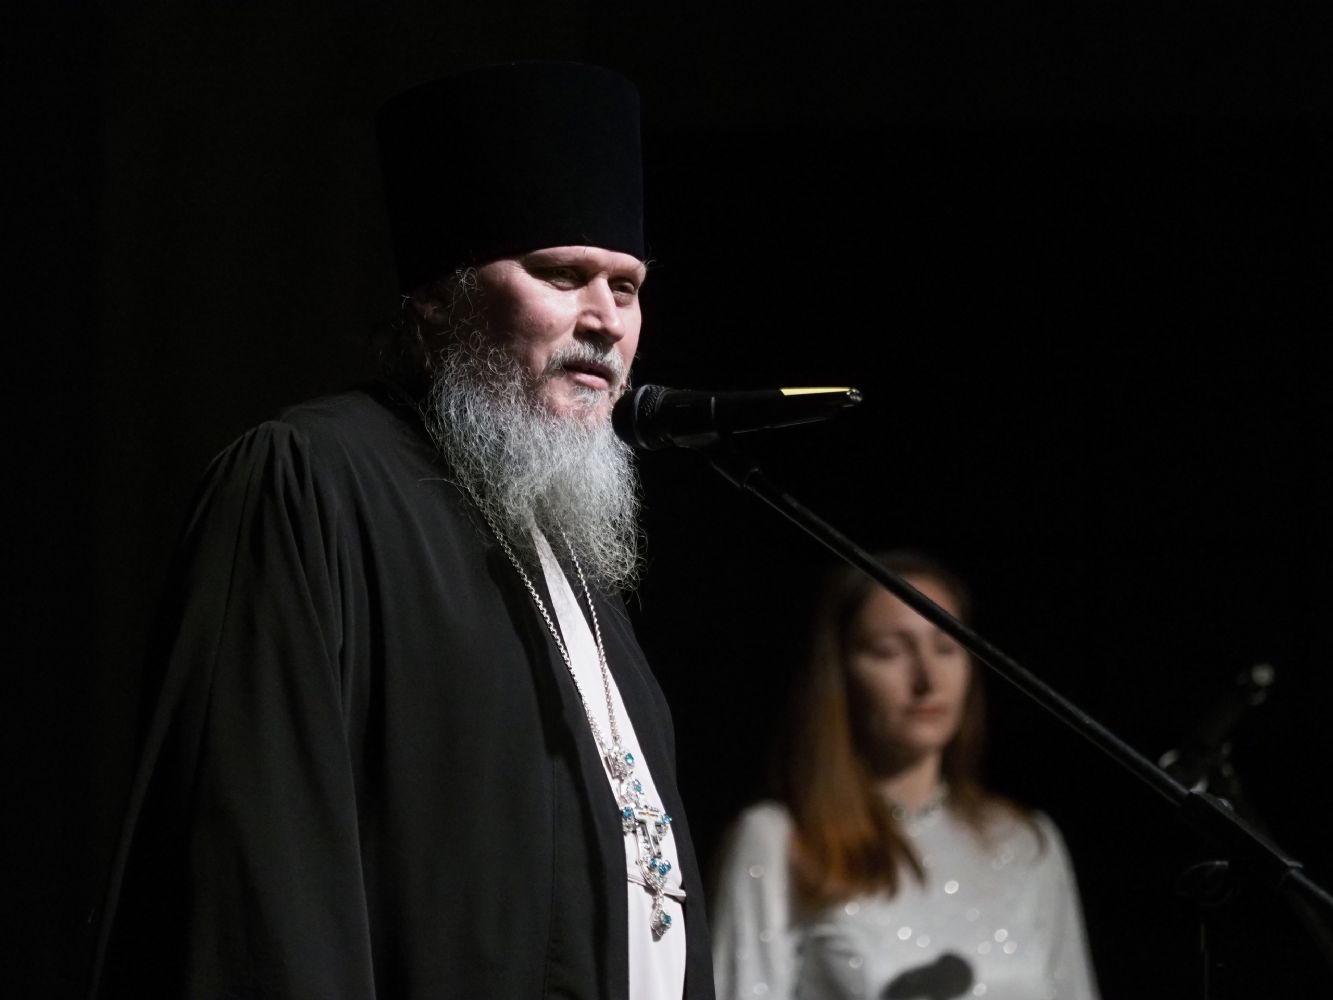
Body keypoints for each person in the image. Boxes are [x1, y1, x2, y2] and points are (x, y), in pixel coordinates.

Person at [88, 62, 713, 999]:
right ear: (438, 295)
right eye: (561, 275)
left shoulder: (569, 554)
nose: (603, 321)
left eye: (625, 288)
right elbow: (259, 874)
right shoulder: (311, 482)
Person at [710, 551, 1098, 1000]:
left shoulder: (1027, 845)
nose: (927, 680)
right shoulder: (778, 842)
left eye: (946, 648)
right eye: (890, 652)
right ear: (840, 673)